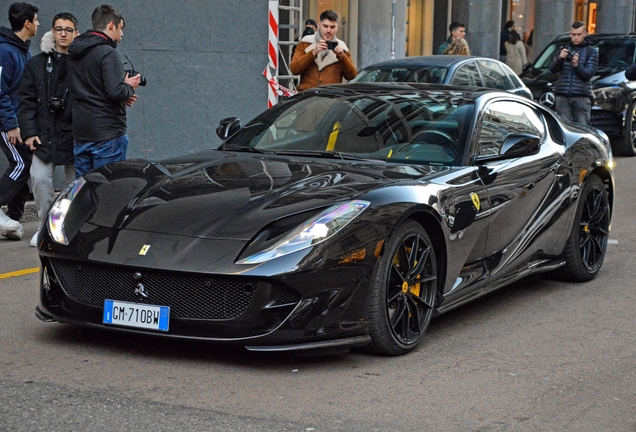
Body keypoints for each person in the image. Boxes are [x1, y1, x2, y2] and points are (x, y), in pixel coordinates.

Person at [18, 12, 78, 247]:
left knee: (77, 184)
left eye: (68, 29)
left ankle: (70, 225)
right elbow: (25, 101)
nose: (63, 33)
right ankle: (45, 226)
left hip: (75, 134)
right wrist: (30, 132)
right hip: (44, 134)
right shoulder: (36, 63)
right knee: (40, 179)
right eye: (59, 28)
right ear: (52, 32)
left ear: (76, 33)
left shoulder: (82, 62)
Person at [67, 4, 140, 178]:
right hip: (107, 134)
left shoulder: (75, 52)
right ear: (111, 26)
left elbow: (91, 88)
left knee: (84, 188)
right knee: (108, 187)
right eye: (121, 28)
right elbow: (116, 92)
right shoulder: (107, 53)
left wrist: (123, 92)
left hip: (82, 132)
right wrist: (129, 86)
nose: (121, 35)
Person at [0, 2, 39, 241]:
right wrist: (11, 124)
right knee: (21, 165)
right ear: (26, 23)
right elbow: (0, 91)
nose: (37, 24)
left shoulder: (22, 49)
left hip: (22, 121)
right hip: (8, 122)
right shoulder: (5, 50)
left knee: (28, 166)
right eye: (35, 20)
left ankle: (12, 218)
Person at [290, 9, 357, 92]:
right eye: (325, 26)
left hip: (330, 98)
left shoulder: (342, 48)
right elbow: (294, 69)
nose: (328, 30)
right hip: (306, 98)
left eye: (332, 27)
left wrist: (342, 57)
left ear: (337, 27)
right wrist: (313, 53)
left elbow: (352, 75)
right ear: (319, 25)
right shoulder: (305, 43)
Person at [549, 21, 598, 125]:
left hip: (581, 95)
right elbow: (552, 69)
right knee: (564, 128)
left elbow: (589, 73)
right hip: (562, 95)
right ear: (570, 34)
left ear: (584, 34)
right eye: (573, 34)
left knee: (583, 128)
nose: (576, 37)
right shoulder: (563, 49)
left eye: (579, 35)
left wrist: (577, 65)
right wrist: (559, 58)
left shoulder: (591, 52)